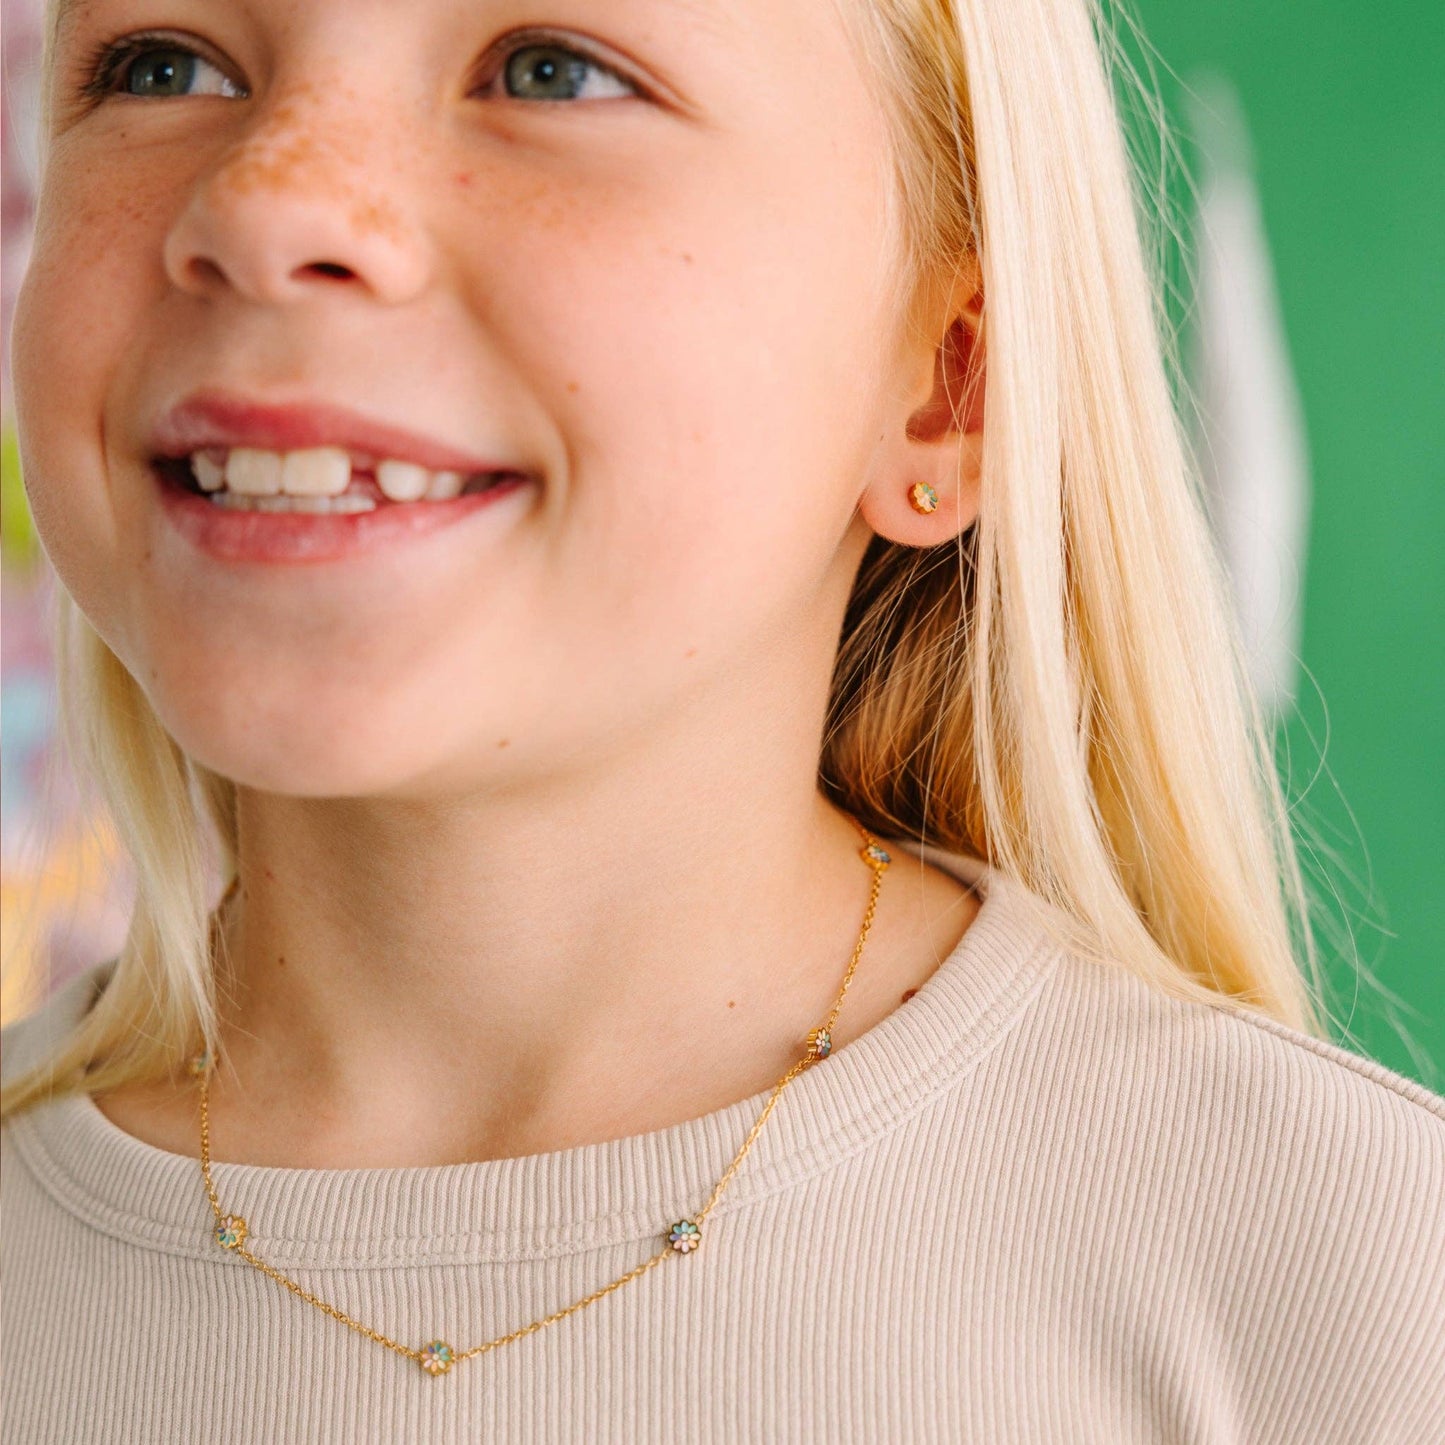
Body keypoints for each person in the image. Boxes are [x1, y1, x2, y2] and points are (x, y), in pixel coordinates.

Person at [2, 0, 1441, 1439]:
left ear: (947, 384)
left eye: (551, 73)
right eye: (160, 64)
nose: (263, 202)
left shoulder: (1351, 1297)